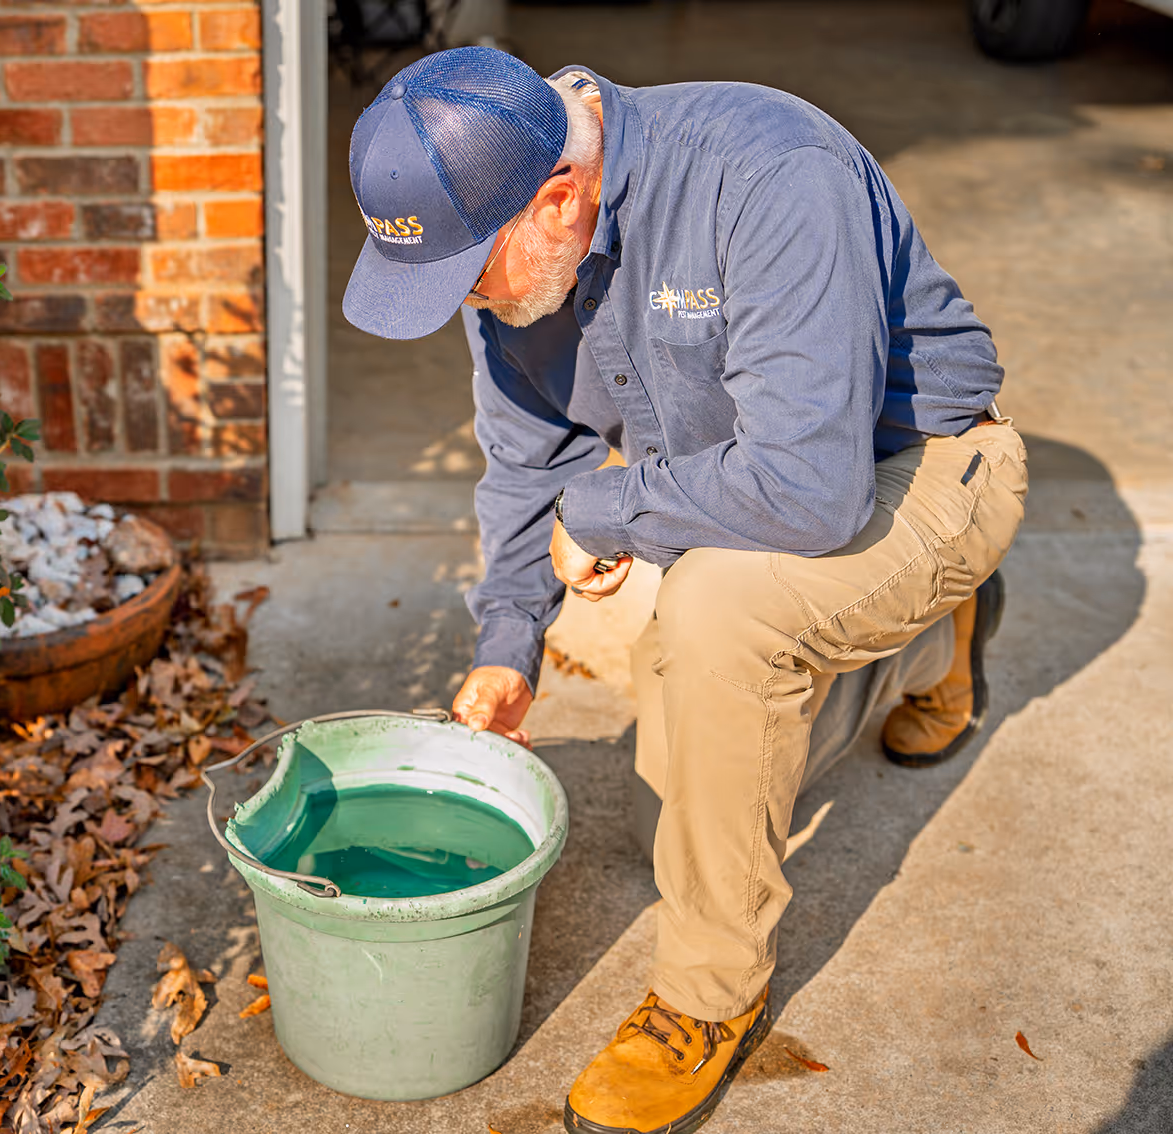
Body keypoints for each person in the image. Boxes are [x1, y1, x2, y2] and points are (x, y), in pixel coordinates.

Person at [341, 46, 1027, 1134]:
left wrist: (603, 513)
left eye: (468, 276)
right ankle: (932, 642)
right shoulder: (515, 246)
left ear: (557, 194)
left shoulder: (769, 172)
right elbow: (530, 465)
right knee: (680, 768)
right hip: (769, 487)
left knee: (717, 623)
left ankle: (708, 1000)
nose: (464, 304)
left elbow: (808, 490)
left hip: (922, 466)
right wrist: (504, 653)